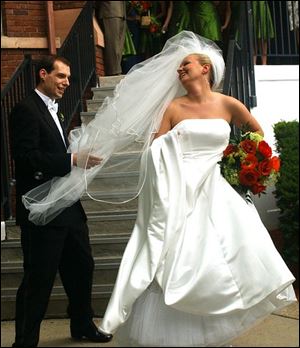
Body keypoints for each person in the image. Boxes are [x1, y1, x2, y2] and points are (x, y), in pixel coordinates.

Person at [20, 32, 297, 347]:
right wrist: (169, 150)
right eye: (179, 66)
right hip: (179, 190)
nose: (180, 70)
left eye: (186, 64)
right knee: (182, 258)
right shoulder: (173, 108)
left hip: (215, 191)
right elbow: (154, 148)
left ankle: (216, 328)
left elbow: (256, 134)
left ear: (205, 68)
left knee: (220, 260)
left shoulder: (229, 104)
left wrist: (242, 161)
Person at [9, 55, 112, 347]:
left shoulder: (57, 110)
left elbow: (53, 150)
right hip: (42, 210)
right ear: (44, 74)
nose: (67, 83)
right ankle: (24, 341)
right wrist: (72, 159)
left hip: (68, 207)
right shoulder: (25, 109)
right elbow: (27, 158)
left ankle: (82, 324)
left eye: (68, 78)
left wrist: (75, 153)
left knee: (82, 267)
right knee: (38, 279)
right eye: (61, 76)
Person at [95, 1, 126, 75]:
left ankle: (116, 69)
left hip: (120, 10)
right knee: (113, 43)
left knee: (119, 44)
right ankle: (113, 71)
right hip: (109, 10)